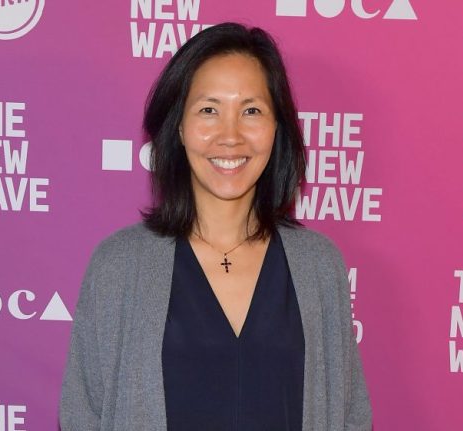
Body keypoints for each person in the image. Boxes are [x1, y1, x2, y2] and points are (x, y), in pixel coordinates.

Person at [60, 22, 371, 430]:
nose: (230, 135)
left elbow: (349, 416)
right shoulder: (119, 266)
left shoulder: (318, 266)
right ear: (179, 127)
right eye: (209, 110)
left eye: (251, 110)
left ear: (277, 128)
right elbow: (83, 414)